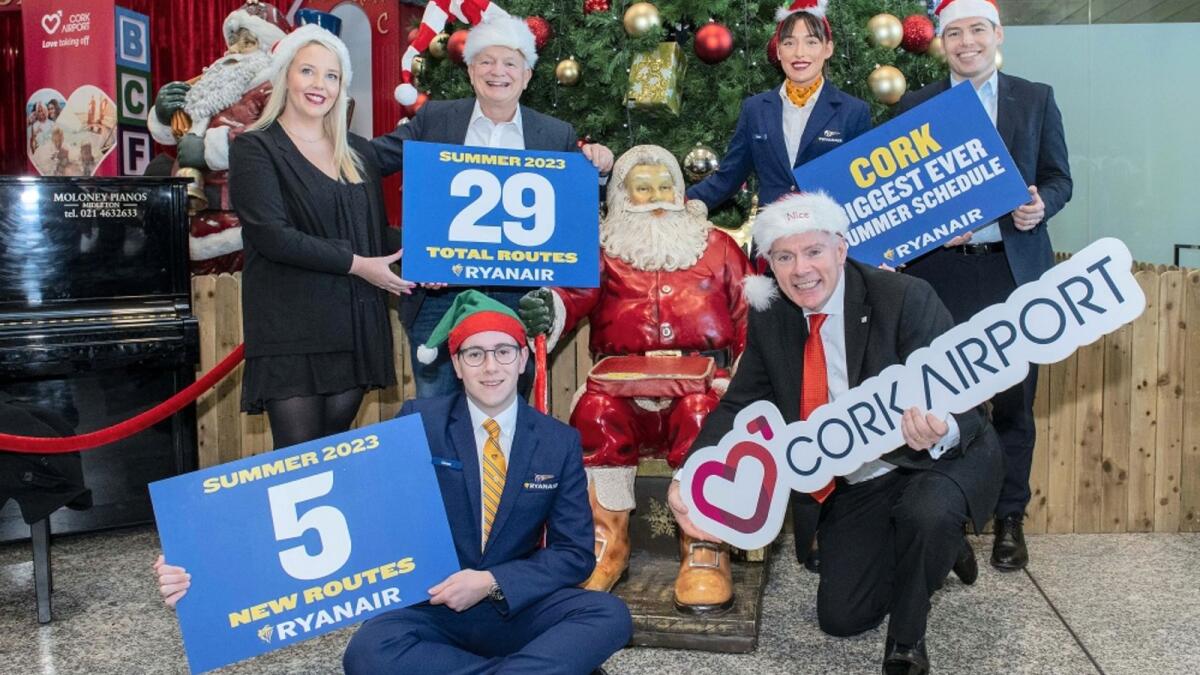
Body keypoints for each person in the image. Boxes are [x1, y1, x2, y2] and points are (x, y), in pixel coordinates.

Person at [157, 291, 633, 673]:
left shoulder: (558, 441)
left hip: (513, 604)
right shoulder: (417, 422)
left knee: (609, 615)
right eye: (475, 354)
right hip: (431, 606)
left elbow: (573, 554)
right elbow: (326, 503)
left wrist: (490, 581)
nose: (491, 367)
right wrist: (202, 562)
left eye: (503, 351)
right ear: (456, 364)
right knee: (367, 653)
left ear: (524, 358)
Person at [668, 192, 1002, 674]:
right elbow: (741, 403)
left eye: (813, 252)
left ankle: (906, 642)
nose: (801, 269)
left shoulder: (904, 297)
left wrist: (941, 426)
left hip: (938, 456)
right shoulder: (771, 315)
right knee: (842, 618)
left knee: (926, 513)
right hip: (862, 475)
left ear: (841, 250)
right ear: (770, 265)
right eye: (785, 257)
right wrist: (688, 475)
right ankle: (938, 549)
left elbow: (969, 396)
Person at [518, 145, 753, 609]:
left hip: (702, 385)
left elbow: (751, 315)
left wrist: (744, 382)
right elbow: (572, 295)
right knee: (595, 413)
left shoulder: (718, 247)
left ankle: (704, 543)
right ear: (622, 196)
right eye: (643, 189)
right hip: (621, 388)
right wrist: (551, 307)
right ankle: (607, 539)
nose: (657, 198)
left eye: (666, 186)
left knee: (703, 416)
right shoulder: (603, 250)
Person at [895, 0, 1072, 572]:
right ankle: (945, 524)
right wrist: (929, 226)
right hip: (939, 274)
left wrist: (1041, 206)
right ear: (941, 42)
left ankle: (1009, 520)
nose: (966, 42)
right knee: (940, 399)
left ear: (997, 35)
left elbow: (1059, 177)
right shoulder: (916, 105)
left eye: (977, 30)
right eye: (954, 33)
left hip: (1012, 271)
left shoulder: (1035, 98)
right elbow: (902, 195)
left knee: (1015, 404)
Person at [372, 3, 615, 400]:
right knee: (438, 415)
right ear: (470, 70)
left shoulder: (555, 134)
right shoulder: (435, 119)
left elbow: (574, 213)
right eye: (486, 61)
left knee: (509, 412)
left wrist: (599, 169)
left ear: (527, 75)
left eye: (510, 63)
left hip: (519, 299)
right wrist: (410, 253)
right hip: (440, 298)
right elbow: (370, 161)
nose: (497, 71)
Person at [227, 23, 415, 449]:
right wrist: (358, 265)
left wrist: (425, 257)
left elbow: (374, 234)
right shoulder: (255, 148)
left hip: (354, 326)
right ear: (285, 76)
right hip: (291, 329)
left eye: (332, 75)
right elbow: (272, 235)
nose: (320, 85)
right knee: (297, 461)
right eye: (308, 71)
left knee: (332, 454)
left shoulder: (358, 152)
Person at [686, 0, 872, 213]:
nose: (799, 53)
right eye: (789, 43)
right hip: (771, 231)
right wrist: (678, 202)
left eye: (811, 42)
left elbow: (861, 184)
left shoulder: (854, 111)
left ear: (828, 49)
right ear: (779, 50)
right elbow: (728, 178)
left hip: (826, 229)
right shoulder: (755, 109)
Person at [147, 0, 290, 274]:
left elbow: (277, 137)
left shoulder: (274, 87)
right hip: (193, 217)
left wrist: (208, 150)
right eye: (232, 40)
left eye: (247, 42)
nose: (234, 50)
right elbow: (175, 132)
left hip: (244, 219)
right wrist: (165, 112)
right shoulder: (209, 86)